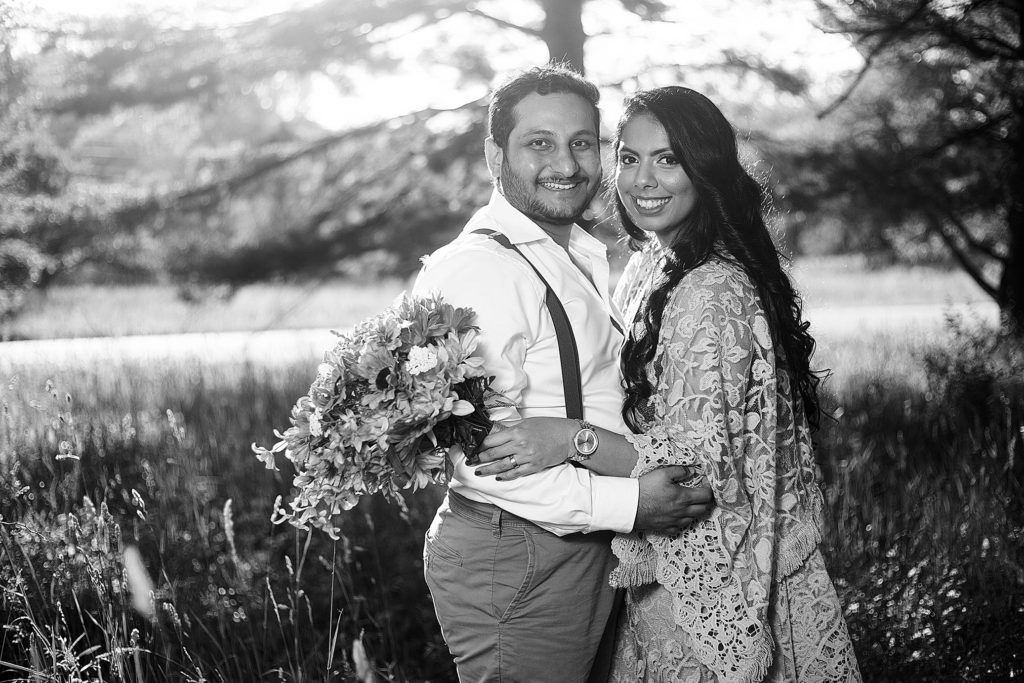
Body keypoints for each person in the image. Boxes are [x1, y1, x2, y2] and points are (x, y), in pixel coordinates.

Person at [474, 86, 862, 681]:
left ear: (703, 169)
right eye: (629, 159)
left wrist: (569, 439)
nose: (642, 180)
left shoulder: (711, 290)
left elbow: (692, 478)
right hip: (660, 570)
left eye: (668, 159)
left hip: (725, 573)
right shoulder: (651, 264)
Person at [411, 68, 714, 682]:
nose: (567, 164)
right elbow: (480, 456)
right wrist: (629, 503)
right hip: (520, 550)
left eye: (582, 142)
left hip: (576, 541)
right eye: (539, 143)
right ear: (496, 154)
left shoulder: (570, 251)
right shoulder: (482, 270)